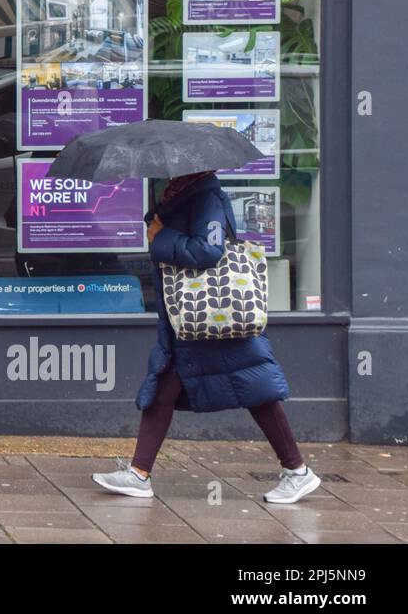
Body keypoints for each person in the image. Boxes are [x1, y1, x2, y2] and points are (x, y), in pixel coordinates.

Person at [92, 170, 320, 504]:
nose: (170, 171)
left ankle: (297, 471)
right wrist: (159, 230)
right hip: (190, 319)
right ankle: (139, 473)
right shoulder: (180, 195)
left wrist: (162, 237)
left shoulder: (208, 198)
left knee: (257, 391)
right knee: (164, 385)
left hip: (213, 316)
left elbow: (209, 251)